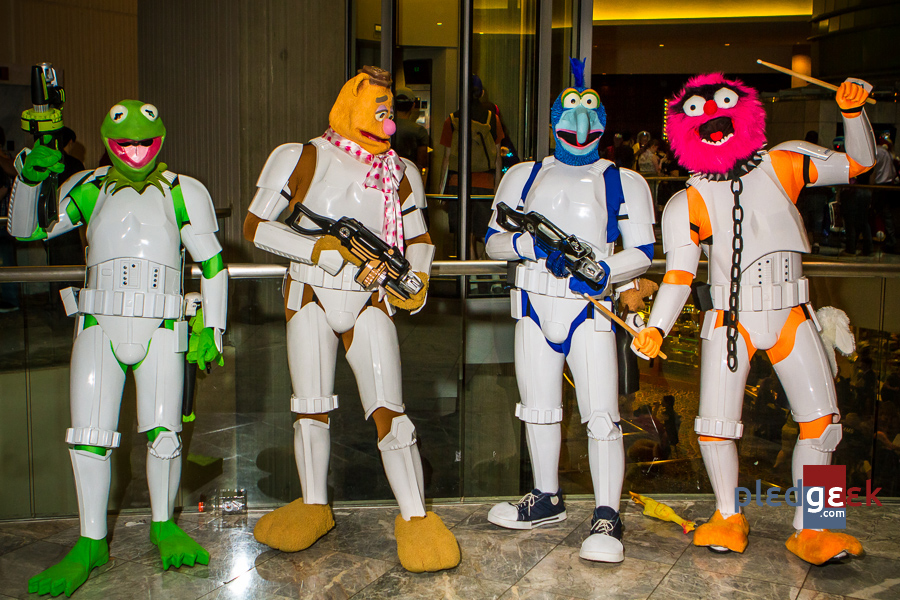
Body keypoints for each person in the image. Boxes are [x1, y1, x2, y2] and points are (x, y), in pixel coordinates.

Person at [633, 73, 875, 565]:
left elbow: (861, 163)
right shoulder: (687, 201)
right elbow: (679, 275)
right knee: (715, 427)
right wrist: (656, 325)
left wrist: (853, 112)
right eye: (699, 112)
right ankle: (726, 515)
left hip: (791, 312)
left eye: (723, 106)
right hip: (729, 319)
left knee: (823, 425)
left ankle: (817, 527)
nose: (714, 119)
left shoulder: (784, 161)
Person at [243, 66, 460, 573]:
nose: (385, 123)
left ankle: (415, 516)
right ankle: (313, 504)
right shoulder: (301, 156)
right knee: (311, 408)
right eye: (376, 111)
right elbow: (258, 227)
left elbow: (420, 240)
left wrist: (418, 281)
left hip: (371, 298)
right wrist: (318, 248)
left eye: (390, 113)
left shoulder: (400, 172)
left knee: (390, 409)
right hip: (310, 293)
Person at [9, 100, 228, 597]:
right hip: (98, 324)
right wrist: (28, 179)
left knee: (165, 435)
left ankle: (163, 524)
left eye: (143, 133)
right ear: (107, 137)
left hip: (162, 326)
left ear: (161, 135)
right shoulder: (87, 187)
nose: (133, 146)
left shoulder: (182, 191)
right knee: (88, 436)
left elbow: (212, 263)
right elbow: (28, 231)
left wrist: (212, 331)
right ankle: (90, 542)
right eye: (122, 135)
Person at [484, 58, 655, 563]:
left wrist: (603, 270)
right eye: (571, 111)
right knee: (538, 409)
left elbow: (643, 251)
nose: (580, 126)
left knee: (601, 415)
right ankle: (546, 497)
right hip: (535, 304)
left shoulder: (623, 181)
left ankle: (607, 512)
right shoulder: (524, 175)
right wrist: (532, 248)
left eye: (591, 112)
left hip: (590, 309)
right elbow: (495, 240)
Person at [439, 74, 505, 257]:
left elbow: (446, 158)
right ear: (482, 93)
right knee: (485, 234)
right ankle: (489, 277)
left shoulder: (452, 120)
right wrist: (497, 188)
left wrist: (442, 190)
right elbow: (497, 157)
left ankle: (471, 283)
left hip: (457, 184)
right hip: (484, 185)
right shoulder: (493, 119)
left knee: (465, 237)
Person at [391, 86, 430, 176]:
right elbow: (422, 161)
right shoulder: (419, 130)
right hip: (410, 175)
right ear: (413, 106)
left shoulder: (383, 127)